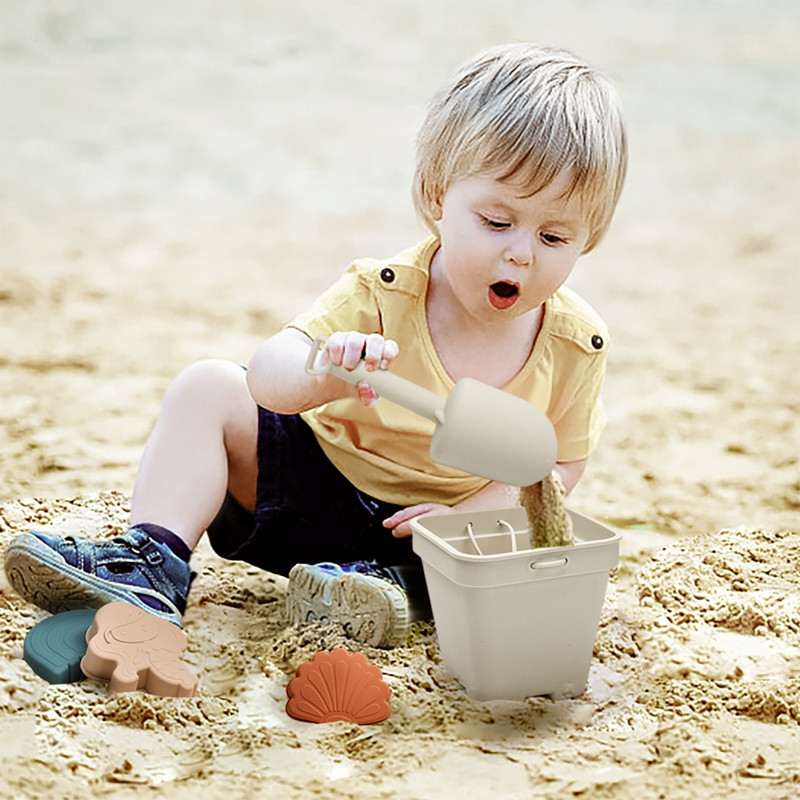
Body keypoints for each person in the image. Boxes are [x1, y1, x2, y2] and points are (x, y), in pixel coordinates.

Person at [4, 43, 627, 648]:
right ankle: (154, 563)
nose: (520, 250)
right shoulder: (383, 293)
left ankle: (387, 593)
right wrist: (324, 371)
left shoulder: (576, 345)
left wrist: (471, 520)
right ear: (439, 196)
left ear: (589, 237)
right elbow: (267, 377)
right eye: (496, 222)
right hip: (310, 492)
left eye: (554, 236)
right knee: (207, 386)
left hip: (426, 535)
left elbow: (557, 465)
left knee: (512, 541)